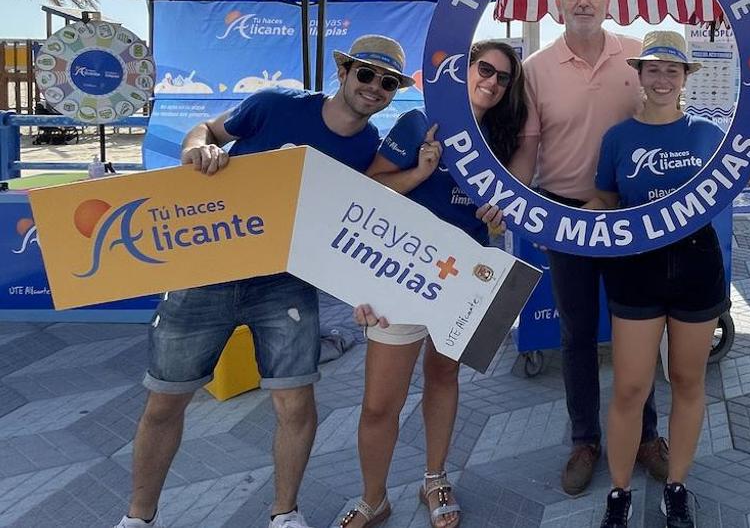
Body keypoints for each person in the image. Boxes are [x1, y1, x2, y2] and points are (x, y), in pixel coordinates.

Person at [116, 36, 412, 528]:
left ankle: (284, 515)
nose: (374, 88)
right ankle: (138, 517)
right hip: (205, 274)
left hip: (286, 284)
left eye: (387, 82)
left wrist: (370, 294)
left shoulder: (368, 148)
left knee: (296, 403)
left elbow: (361, 220)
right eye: (366, 74)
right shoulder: (275, 105)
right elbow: (205, 131)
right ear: (343, 72)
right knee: (165, 400)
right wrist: (198, 152)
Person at [340, 41, 527, 528]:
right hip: (400, 275)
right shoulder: (417, 123)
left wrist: (498, 221)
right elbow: (370, 187)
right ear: (464, 71)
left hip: (461, 280)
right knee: (382, 402)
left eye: (502, 77)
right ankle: (372, 498)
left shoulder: (503, 142)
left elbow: (505, 217)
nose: (490, 80)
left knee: (443, 378)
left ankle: (435, 477)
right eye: (483, 68)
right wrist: (420, 171)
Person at [511, 0, 669, 494]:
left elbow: (667, 116)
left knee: (638, 329)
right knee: (577, 334)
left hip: (633, 218)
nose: (583, 1)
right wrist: (522, 207)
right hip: (565, 214)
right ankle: (585, 439)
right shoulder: (534, 67)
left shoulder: (637, 52)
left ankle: (646, 436)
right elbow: (529, 144)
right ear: (557, 4)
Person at [586, 31, 729, 528]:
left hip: (696, 265)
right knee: (630, 388)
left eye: (673, 69)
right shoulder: (618, 138)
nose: (663, 78)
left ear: (686, 76)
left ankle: (676, 487)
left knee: (688, 381)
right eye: (654, 69)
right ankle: (619, 494)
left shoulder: (710, 134)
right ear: (640, 75)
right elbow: (604, 200)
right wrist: (556, 228)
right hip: (636, 268)